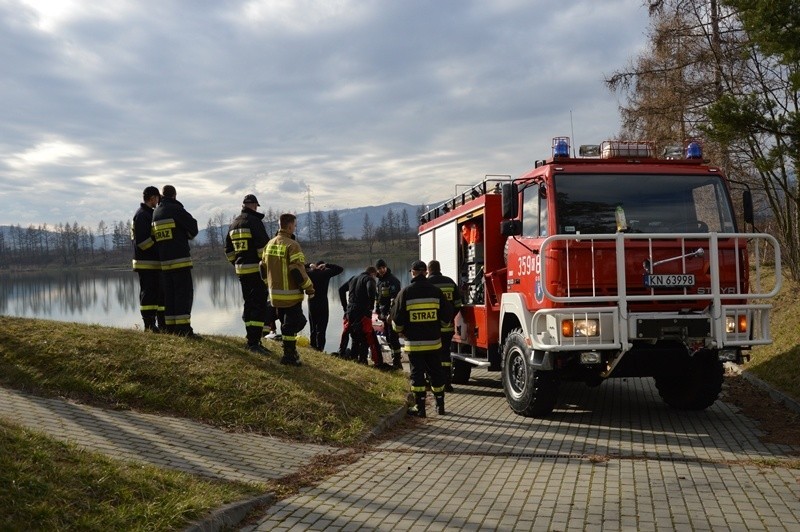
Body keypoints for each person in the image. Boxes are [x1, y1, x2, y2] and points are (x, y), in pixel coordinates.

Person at [391, 260, 453, 417]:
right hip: (434, 343)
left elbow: (397, 319)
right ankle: (440, 405)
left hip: (414, 344)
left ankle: (421, 408)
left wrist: (400, 331)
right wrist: (439, 326)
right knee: (436, 372)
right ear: (425, 272)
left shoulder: (405, 292)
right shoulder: (435, 291)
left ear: (412, 272)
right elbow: (447, 317)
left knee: (417, 375)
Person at [263, 213, 314, 366]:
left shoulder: (269, 244)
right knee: (293, 324)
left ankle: (289, 351)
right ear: (290, 226)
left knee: (287, 325)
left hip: (275, 296)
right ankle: (289, 356)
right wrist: (309, 288)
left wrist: (268, 285)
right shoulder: (292, 245)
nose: (295, 228)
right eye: (295, 225)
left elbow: (262, 268)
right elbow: (297, 271)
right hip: (291, 296)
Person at [225, 194, 271, 355]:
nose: (257, 209)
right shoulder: (254, 222)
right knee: (258, 305)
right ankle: (254, 342)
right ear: (253, 205)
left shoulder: (233, 224)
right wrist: (265, 265)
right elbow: (264, 249)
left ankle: (251, 339)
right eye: (256, 206)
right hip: (256, 271)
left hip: (241, 271)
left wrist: (237, 263)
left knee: (248, 303)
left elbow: (229, 251)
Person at [152, 185, 200, 337]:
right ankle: (184, 329)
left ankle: (172, 329)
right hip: (180, 260)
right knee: (183, 294)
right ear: (174, 195)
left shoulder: (156, 213)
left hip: (164, 263)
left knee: (170, 296)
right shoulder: (175, 209)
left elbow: (154, 237)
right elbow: (193, 227)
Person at [343, 266, 392, 369]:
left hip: (350, 311)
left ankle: (354, 358)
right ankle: (368, 360)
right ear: (373, 274)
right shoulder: (369, 279)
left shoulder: (353, 278)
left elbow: (340, 290)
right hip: (362, 312)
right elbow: (371, 289)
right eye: (375, 276)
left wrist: (345, 306)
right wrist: (371, 307)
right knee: (367, 336)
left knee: (355, 337)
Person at [131, 186, 165, 333]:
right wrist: (160, 250)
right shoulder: (142, 215)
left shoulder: (147, 213)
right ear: (152, 198)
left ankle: (157, 323)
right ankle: (149, 325)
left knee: (156, 293)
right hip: (147, 263)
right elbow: (143, 242)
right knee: (148, 293)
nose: (158, 201)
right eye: (157, 198)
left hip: (152, 263)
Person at [427, 259, 464, 392]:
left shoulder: (427, 284)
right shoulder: (450, 282)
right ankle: (447, 383)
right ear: (439, 268)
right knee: (445, 355)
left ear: (429, 270)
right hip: (447, 327)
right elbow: (458, 303)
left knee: (432, 355)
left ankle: (434, 383)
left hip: (432, 328)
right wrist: (450, 317)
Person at [305, 261, 344, 352]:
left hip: (312, 302)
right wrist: (327, 265)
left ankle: (313, 346)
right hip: (323, 303)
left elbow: (298, 269)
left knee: (313, 327)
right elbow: (340, 269)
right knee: (322, 327)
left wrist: (309, 265)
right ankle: (320, 348)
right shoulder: (326, 273)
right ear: (322, 267)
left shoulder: (309, 274)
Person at [375, 259, 403, 370]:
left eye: (383, 267)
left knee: (393, 337)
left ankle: (397, 361)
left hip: (391, 315)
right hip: (383, 314)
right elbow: (378, 298)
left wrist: (390, 314)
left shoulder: (393, 280)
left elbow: (395, 299)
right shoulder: (379, 281)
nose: (381, 270)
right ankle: (394, 359)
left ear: (386, 267)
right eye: (379, 268)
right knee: (388, 337)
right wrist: (377, 310)